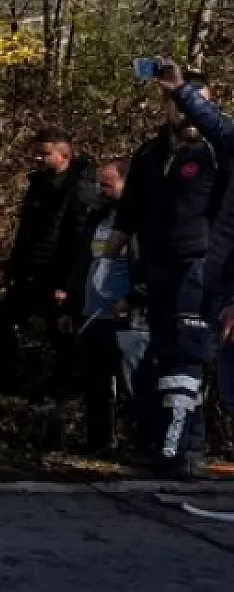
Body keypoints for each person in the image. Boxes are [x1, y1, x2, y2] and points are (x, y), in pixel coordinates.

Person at [123, 59, 228, 475]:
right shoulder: (151, 154)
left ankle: (174, 452)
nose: (187, 115)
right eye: (180, 105)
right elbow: (129, 214)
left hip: (199, 265)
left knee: (187, 356)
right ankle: (185, 447)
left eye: (197, 107)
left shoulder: (218, 157)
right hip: (155, 267)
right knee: (165, 356)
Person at [0, 128, 96, 397]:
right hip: (30, 272)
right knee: (2, 321)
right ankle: (10, 383)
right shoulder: (37, 184)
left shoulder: (79, 189)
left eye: (44, 154)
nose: (37, 158)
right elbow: (26, 233)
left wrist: (68, 284)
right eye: (36, 153)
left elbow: (78, 240)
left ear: (64, 155)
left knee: (61, 336)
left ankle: (62, 393)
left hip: (57, 275)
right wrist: (13, 268)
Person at [67, 159, 143, 455]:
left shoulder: (140, 221)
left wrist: (134, 298)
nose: (101, 190)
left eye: (107, 185)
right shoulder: (97, 218)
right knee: (95, 384)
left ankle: (138, 443)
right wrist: (73, 305)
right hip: (93, 313)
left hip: (125, 315)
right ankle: (98, 442)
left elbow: (149, 268)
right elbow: (84, 261)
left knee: (130, 385)